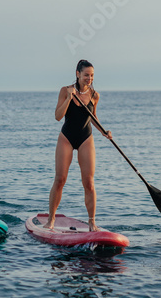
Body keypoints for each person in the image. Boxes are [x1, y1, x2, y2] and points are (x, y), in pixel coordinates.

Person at [47, 59, 112, 232]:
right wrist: (69, 97)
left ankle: (91, 222)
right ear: (77, 74)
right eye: (86, 75)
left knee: (89, 182)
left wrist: (104, 132)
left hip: (85, 138)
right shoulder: (65, 90)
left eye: (91, 76)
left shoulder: (94, 95)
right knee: (60, 179)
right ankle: (51, 219)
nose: (89, 79)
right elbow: (58, 116)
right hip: (66, 138)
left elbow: (93, 117)